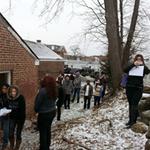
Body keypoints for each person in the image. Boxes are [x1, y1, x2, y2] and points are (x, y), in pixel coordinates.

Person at [124, 54, 150, 128]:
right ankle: (130, 120)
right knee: (130, 104)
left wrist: (143, 65)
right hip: (129, 88)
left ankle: (133, 122)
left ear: (142, 60)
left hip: (138, 88)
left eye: (140, 59)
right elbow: (125, 70)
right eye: (137, 59)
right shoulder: (131, 66)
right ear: (135, 60)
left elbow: (148, 72)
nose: (138, 60)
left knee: (134, 105)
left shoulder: (143, 68)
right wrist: (133, 64)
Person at [35, 75, 57, 150]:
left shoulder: (43, 91)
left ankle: (43, 148)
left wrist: (36, 110)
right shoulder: (53, 89)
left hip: (44, 114)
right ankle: (47, 146)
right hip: (52, 112)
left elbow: (37, 103)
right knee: (48, 129)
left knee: (43, 132)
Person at [7, 85, 26, 150]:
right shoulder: (9, 98)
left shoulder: (21, 98)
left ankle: (17, 146)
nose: (13, 93)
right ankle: (12, 145)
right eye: (11, 91)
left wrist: (13, 112)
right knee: (10, 132)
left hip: (20, 119)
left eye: (14, 91)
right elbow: (7, 108)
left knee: (18, 133)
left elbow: (22, 110)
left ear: (17, 92)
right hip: (12, 118)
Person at [0, 84, 10, 150]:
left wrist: (7, 111)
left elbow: (12, 106)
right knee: (1, 129)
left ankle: (5, 143)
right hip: (1, 114)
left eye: (5, 88)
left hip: (7, 115)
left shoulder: (10, 97)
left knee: (6, 130)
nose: (4, 90)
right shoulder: (0, 96)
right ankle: (1, 140)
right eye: (3, 88)